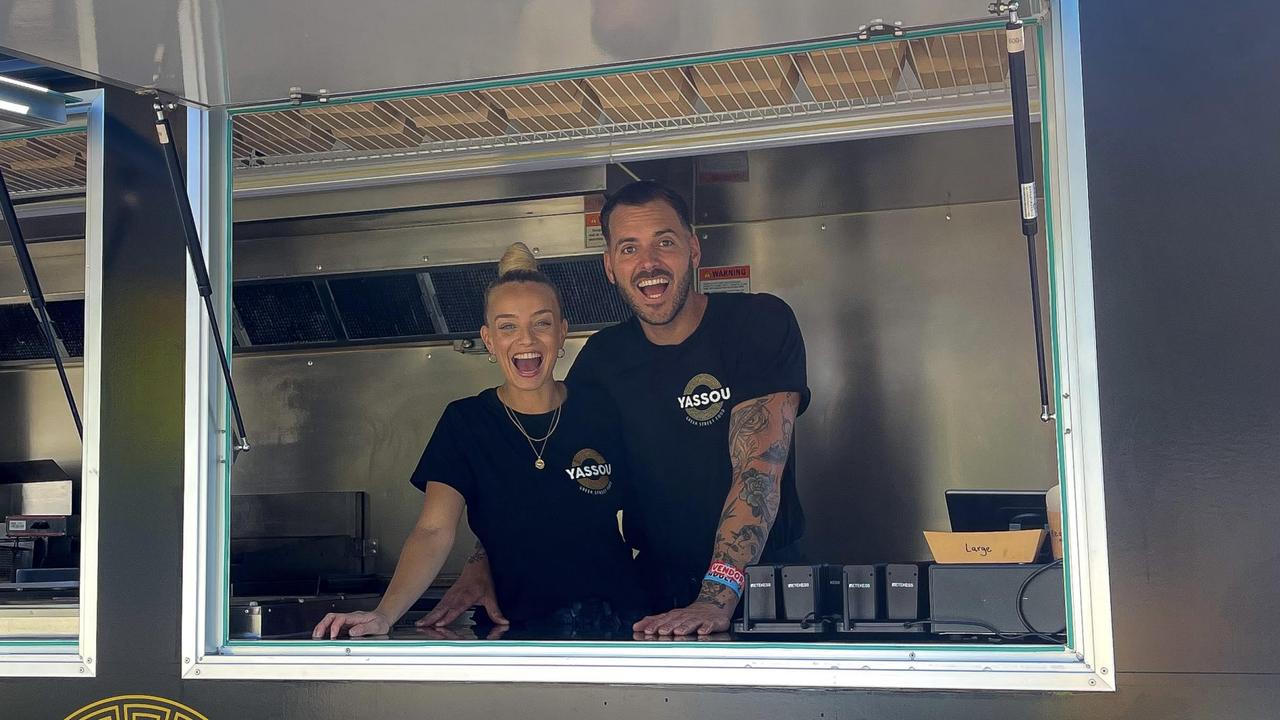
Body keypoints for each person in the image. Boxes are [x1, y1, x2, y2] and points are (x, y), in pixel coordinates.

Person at [427, 180, 809, 636]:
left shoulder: (757, 323)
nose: (648, 263)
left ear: (692, 249)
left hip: (765, 589)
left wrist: (714, 598)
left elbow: (758, 473)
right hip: (651, 595)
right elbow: (544, 476)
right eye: (629, 248)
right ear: (610, 266)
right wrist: (481, 563)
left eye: (664, 242)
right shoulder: (603, 360)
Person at [313, 242, 644, 639]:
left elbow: (649, 509)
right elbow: (434, 530)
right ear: (489, 340)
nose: (526, 340)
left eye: (541, 323)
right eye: (508, 327)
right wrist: (384, 614)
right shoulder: (466, 422)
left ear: (562, 332)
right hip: (512, 630)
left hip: (618, 626)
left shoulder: (603, 411)